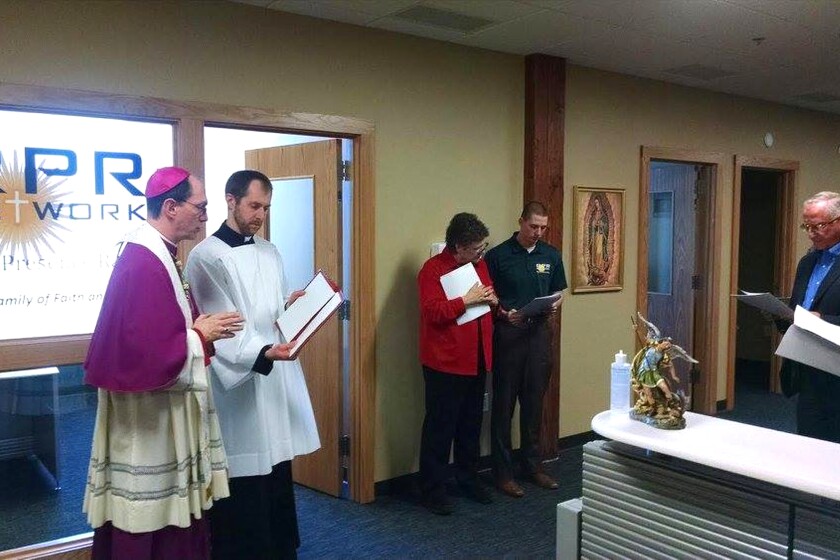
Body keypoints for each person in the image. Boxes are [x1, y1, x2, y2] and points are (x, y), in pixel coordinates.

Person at [83, 167, 245, 560]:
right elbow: (148, 354)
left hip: (160, 414)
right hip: (149, 423)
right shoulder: (143, 262)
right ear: (171, 207)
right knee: (149, 519)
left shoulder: (159, 253)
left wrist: (196, 330)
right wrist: (200, 335)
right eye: (200, 207)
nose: (205, 216)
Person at [184, 170, 320, 559]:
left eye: (266, 207)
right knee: (246, 475)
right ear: (231, 200)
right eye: (254, 205)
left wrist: (292, 309)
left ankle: (281, 549)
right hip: (240, 379)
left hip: (275, 373)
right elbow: (222, 323)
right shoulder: (207, 256)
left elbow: (270, 310)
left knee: (276, 467)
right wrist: (261, 353)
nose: (260, 214)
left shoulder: (269, 251)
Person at [484, 201, 566, 498]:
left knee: (534, 405)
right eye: (533, 226)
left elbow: (558, 292)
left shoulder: (551, 255)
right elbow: (487, 296)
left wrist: (555, 303)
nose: (538, 233)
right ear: (521, 222)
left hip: (539, 336)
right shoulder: (498, 256)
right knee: (504, 407)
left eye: (543, 228)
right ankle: (503, 474)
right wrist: (503, 313)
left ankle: (532, 466)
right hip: (509, 335)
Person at [417, 212, 497, 515]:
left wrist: (492, 299)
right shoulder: (432, 270)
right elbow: (432, 312)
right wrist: (466, 300)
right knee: (440, 428)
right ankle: (432, 490)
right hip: (444, 363)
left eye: (482, 248)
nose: (481, 253)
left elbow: (488, 293)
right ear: (458, 246)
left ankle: (468, 479)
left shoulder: (480, 265)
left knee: (471, 425)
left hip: (477, 358)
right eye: (476, 248)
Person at [781, 191, 840, 443]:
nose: (811, 232)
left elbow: (817, 314)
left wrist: (823, 319)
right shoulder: (808, 262)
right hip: (808, 367)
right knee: (808, 443)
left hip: (836, 366)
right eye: (807, 226)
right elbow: (799, 308)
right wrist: (781, 314)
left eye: (818, 226)